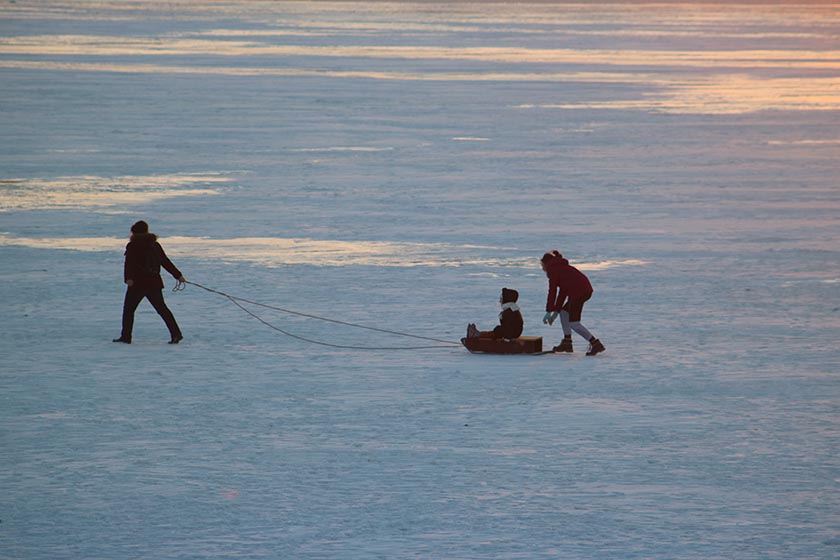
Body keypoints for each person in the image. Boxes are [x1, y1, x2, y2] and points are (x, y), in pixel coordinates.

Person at [113, 220, 185, 344]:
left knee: (129, 310)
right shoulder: (155, 245)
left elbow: (129, 264)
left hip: (137, 283)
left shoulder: (133, 245)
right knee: (162, 309)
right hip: (154, 282)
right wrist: (178, 275)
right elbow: (165, 261)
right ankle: (176, 334)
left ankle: (126, 336)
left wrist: (128, 279)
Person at [541, 250, 605, 355]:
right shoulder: (560, 267)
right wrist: (556, 311)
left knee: (574, 323)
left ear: (545, 263)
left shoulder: (553, 270)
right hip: (582, 291)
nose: (542, 267)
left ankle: (595, 343)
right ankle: (567, 342)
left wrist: (549, 311)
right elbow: (562, 292)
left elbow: (552, 291)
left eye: (542, 265)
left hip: (579, 293)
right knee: (564, 312)